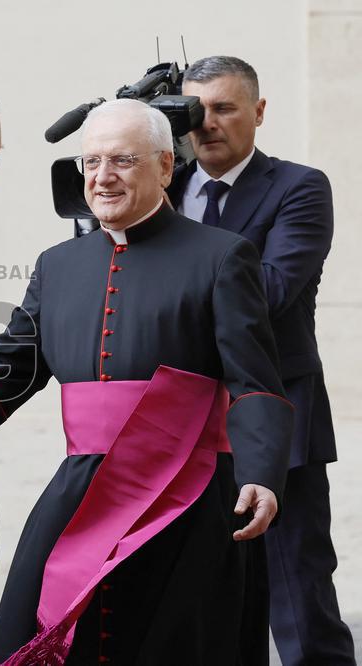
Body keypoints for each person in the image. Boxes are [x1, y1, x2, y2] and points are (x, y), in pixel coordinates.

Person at [0, 99, 292, 665]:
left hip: (188, 495)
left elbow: (255, 381)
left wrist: (263, 475)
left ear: (167, 167)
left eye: (122, 160)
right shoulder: (58, 264)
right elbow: (10, 372)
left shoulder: (222, 257)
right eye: (91, 162)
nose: (102, 177)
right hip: (82, 488)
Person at [165, 55, 355, 665]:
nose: (208, 124)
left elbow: (270, 293)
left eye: (224, 108)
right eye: (196, 111)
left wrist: (165, 300)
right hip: (176, 423)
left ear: (258, 112)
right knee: (189, 598)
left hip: (276, 419)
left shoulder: (299, 187)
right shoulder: (157, 186)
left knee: (298, 598)